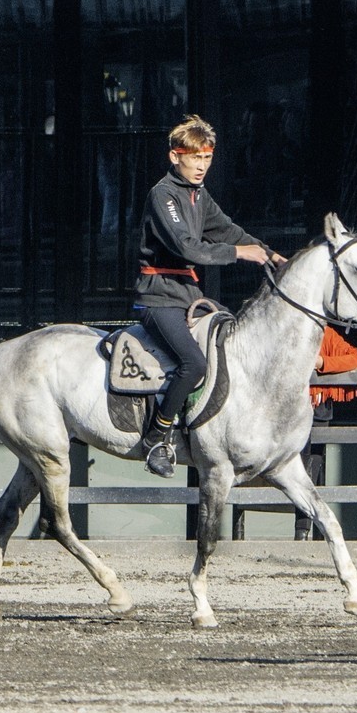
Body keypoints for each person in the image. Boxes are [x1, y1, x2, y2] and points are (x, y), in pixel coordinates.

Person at [135, 116, 287, 478]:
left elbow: (228, 230)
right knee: (195, 364)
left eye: (207, 158)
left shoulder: (198, 195)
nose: (202, 165)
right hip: (158, 300)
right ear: (175, 157)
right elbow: (188, 248)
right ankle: (156, 438)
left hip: (188, 297)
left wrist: (269, 253)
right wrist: (240, 255)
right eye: (195, 158)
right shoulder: (163, 194)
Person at [297, 326, 357, 539]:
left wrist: (322, 363)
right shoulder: (287, 329)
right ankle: (303, 530)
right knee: (296, 469)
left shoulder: (327, 334)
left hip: (317, 410)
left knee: (312, 468)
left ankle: (307, 531)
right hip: (288, 409)